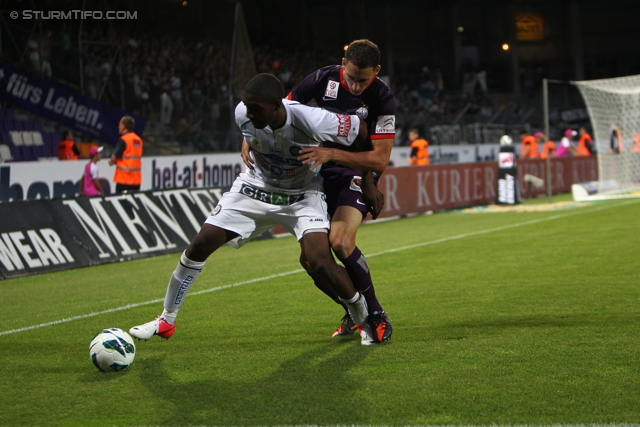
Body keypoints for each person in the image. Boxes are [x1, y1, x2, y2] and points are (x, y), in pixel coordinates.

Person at [129, 73, 377, 346]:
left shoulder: (313, 119)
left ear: (277, 105)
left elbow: (362, 130)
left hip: (302, 194)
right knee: (199, 244)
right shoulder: (243, 114)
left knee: (319, 260)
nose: (248, 113)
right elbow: (251, 130)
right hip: (256, 187)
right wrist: (248, 141)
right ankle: (166, 320)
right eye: (246, 106)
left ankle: (364, 320)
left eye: (255, 109)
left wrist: (367, 179)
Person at [242, 39, 395, 343]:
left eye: (362, 80)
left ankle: (376, 315)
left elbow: (379, 157)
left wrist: (341, 161)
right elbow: (279, 107)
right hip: (316, 172)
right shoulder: (322, 78)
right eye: (350, 77)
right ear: (343, 64)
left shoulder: (383, 97)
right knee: (311, 261)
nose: (354, 85)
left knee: (340, 242)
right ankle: (354, 311)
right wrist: (253, 134)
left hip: (353, 170)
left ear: (376, 72)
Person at [108, 116, 143, 194]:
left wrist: (111, 162)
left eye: (120, 124)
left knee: (123, 204)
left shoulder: (124, 140)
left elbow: (114, 158)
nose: (118, 126)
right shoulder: (138, 140)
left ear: (124, 126)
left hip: (124, 179)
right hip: (136, 180)